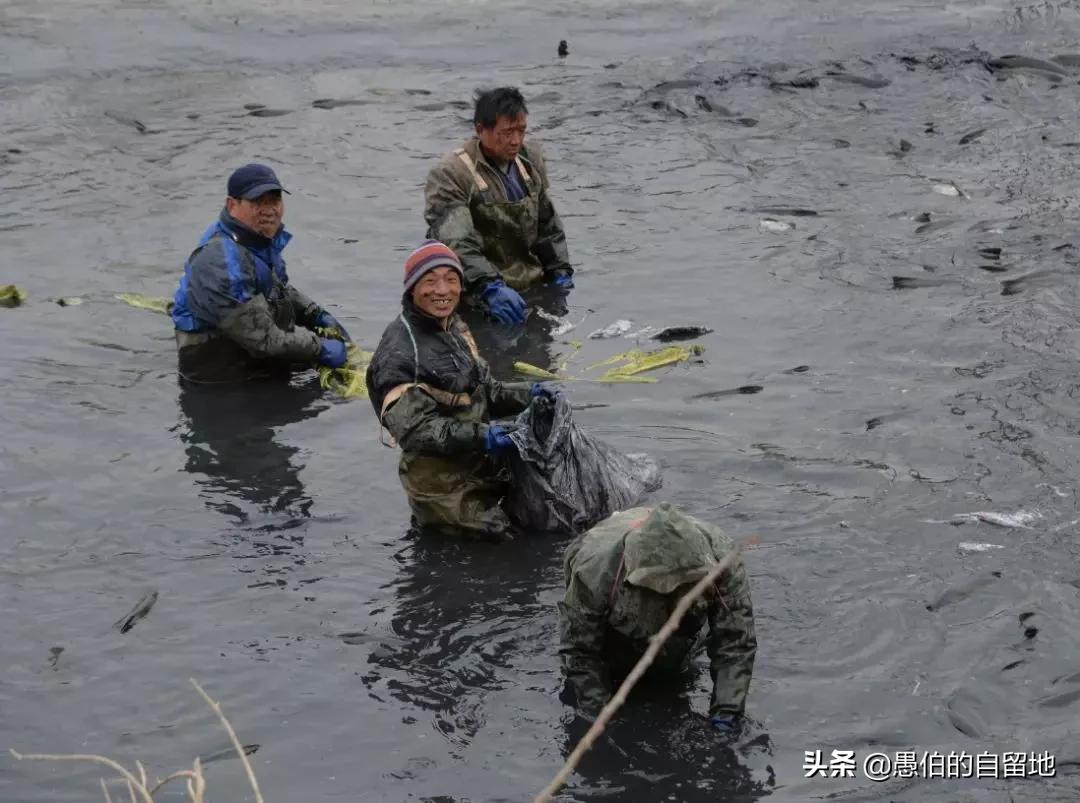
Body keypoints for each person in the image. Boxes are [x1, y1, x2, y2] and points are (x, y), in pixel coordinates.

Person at [365, 240, 555, 539]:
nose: (442, 290)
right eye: (430, 281)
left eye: (451, 280)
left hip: (480, 466)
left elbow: (486, 391)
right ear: (412, 289)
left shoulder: (455, 327)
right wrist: (485, 437)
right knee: (507, 543)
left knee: (542, 511)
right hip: (441, 488)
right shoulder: (399, 351)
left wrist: (531, 393)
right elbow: (415, 431)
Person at [559, 502, 757, 731]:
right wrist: (598, 714)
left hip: (684, 624)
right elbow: (579, 650)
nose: (669, 591)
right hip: (615, 618)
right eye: (661, 588)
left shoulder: (724, 562)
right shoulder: (594, 572)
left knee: (675, 664)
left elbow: (736, 643)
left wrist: (727, 712)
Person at [170, 163, 351, 383]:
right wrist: (320, 348)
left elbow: (276, 288)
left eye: (274, 200)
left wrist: (314, 314)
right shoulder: (219, 260)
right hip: (220, 379)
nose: (269, 210)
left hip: (254, 358)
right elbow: (261, 337)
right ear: (232, 204)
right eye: (257, 201)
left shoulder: (256, 240)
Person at [424, 87, 573, 326]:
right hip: (478, 294)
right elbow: (457, 242)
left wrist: (560, 271)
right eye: (506, 133)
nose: (515, 141)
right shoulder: (451, 173)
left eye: (521, 131)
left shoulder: (530, 160)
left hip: (529, 284)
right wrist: (489, 288)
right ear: (481, 130)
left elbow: (547, 224)